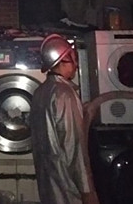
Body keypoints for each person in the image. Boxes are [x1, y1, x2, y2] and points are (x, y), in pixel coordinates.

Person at [30, 34, 100, 204]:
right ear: (62, 61)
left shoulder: (40, 92)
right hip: (69, 190)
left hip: (50, 187)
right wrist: (87, 191)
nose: (76, 65)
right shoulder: (64, 94)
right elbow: (73, 147)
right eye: (73, 58)